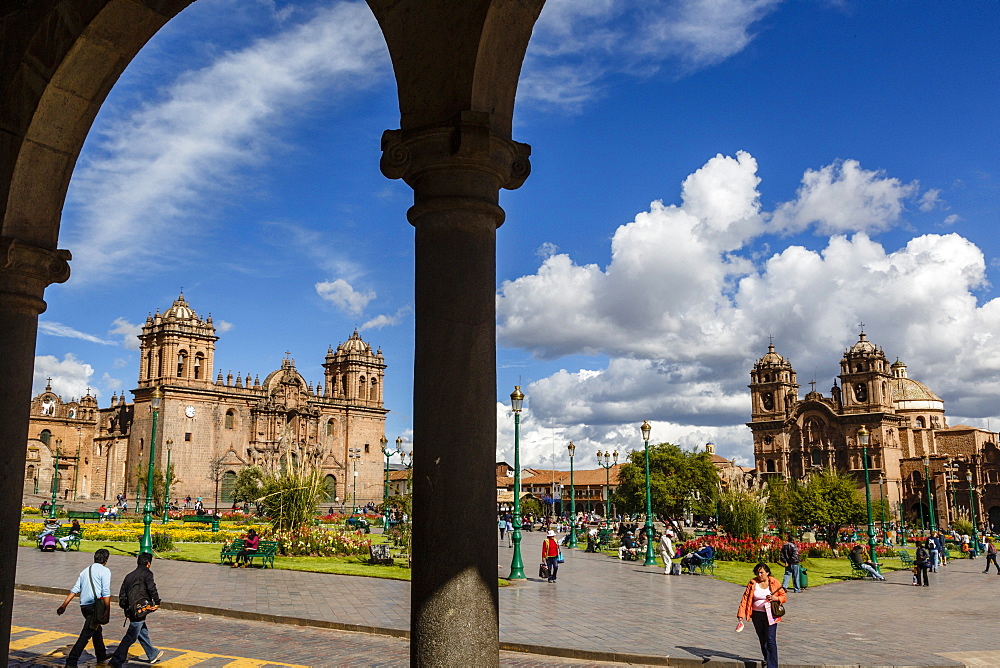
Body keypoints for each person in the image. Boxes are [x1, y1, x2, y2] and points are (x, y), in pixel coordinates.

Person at [57, 548, 112, 667]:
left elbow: (75, 589)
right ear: (106, 560)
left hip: (84, 606)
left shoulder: (85, 571)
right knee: (86, 634)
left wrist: (64, 605)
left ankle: (101, 655)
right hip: (95, 607)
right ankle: (72, 660)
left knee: (96, 630)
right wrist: (107, 609)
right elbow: (106, 591)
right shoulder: (105, 571)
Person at [109, 552, 163, 667]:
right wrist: (157, 602)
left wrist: (126, 608)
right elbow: (152, 588)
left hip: (131, 609)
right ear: (148, 563)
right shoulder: (147, 573)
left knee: (142, 631)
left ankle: (152, 654)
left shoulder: (129, 576)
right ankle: (116, 659)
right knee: (131, 635)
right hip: (140, 609)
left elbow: (122, 594)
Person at [737, 562, 786, 668]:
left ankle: (772, 665)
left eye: (761, 572)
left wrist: (776, 598)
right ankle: (767, 658)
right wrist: (741, 615)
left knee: (770, 639)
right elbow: (745, 599)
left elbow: (783, 596)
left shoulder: (774, 582)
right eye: (757, 573)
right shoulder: (752, 583)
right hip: (756, 615)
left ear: (767, 573)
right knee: (762, 638)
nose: (759, 575)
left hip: (771, 614)